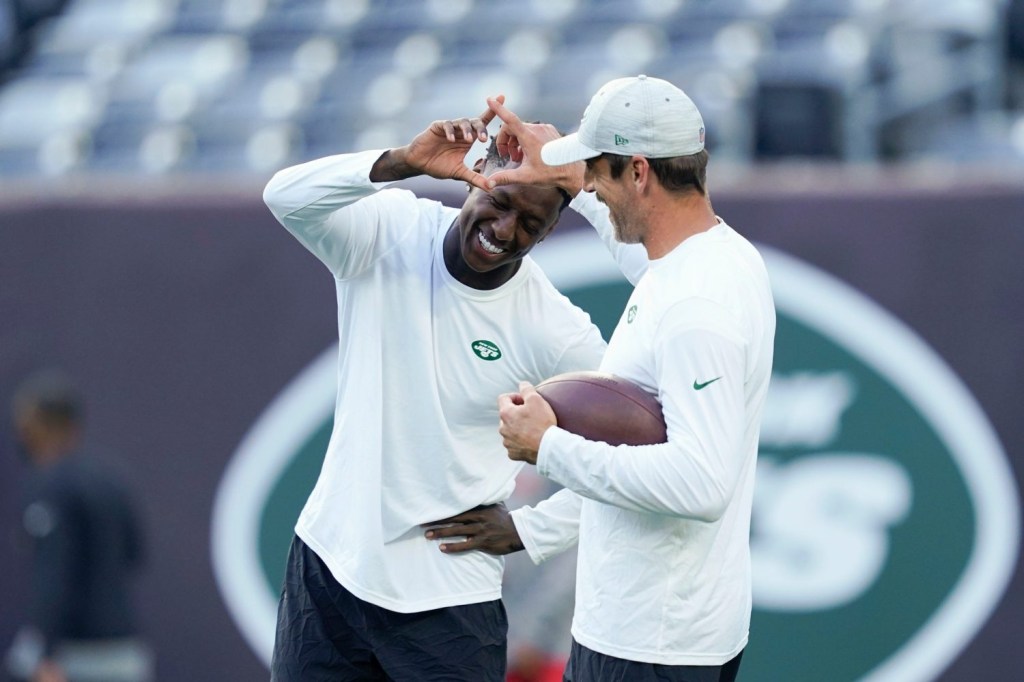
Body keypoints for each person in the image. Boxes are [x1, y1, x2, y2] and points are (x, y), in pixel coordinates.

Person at [430, 75, 776, 681]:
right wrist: (568, 177)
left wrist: (548, 448)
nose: (590, 186)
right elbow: (647, 265)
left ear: (639, 172)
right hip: (665, 632)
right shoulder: (711, 260)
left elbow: (700, 485)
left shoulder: (698, 305)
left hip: (649, 644)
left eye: (599, 172)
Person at [261, 100, 606, 681]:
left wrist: (531, 530)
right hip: (329, 566)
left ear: (551, 231)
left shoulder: (555, 328)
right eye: (499, 203)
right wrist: (401, 161)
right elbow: (284, 197)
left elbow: (632, 457)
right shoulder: (392, 228)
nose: (504, 231)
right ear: (474, 177)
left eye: (531, 225)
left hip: (447, 598)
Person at [4, 369, 152, 682]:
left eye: (26, 425)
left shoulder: (51, 485)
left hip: (75, 657)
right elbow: (135, 553)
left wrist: (45, 654)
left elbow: (54, 574)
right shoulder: (111, 478)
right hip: (126, 653)